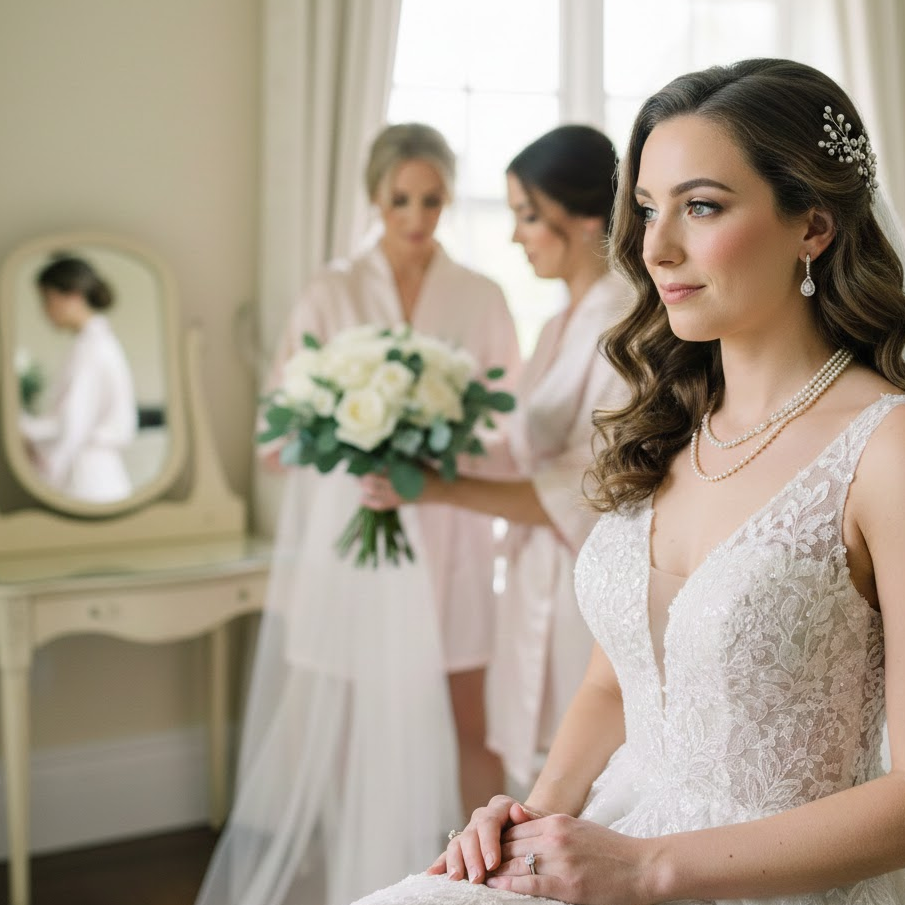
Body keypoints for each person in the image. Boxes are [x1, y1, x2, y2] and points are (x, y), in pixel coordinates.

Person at [352, 57, 905, 905]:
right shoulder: (667, 419)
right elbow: (615, 682)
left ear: (813, 226)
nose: (655, 247)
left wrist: (648, 869)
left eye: (701, 206)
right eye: (647, 209)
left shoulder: (884, 448)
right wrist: (528, 818)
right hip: (610, 836)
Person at [194, 123, 521, 905]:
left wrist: (433, 446)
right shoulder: (330, 291)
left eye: (432, 200)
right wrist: (351, 436)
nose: (416, 217)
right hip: (352, 548)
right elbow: (275, 439)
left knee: (468, 717)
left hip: (450, 536)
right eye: (400, 199)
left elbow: (508, 430)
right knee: (342, 725)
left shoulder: (479, 296)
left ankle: (487, 885)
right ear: (374, 197)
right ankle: (361, 883)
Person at [362, 124, 631, 789]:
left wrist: (435, 489)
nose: (515, 236)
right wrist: (420, 441)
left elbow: (583, 489)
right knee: (536, 758)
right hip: (535, 567)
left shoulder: (622, 325)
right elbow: (520, 448)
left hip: (584, 575)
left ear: (585, 217)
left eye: (527, 216)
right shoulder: (558, 323)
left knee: (586, 773)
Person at [19, 254, 137, 503]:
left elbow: (70, 425)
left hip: (88, 482)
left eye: (47, 299)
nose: (44, 310)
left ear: (73, 296)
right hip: (93, 476)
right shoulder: (93, 344)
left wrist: (20, 428)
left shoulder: (92, 349)